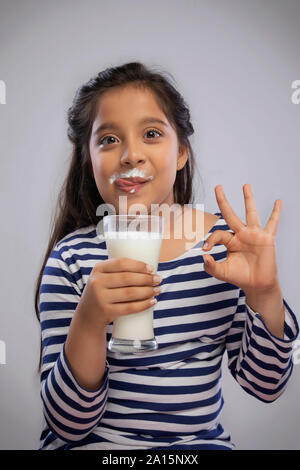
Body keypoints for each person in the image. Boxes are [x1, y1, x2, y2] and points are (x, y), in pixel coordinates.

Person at [35, 62, 299, 450]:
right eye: (108, 140)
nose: (130, 154)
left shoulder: (222, 247)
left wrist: (265, 293)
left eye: (152, 134)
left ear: (181, 153)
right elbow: (67, 425)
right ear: (87, 158)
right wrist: (89, 320)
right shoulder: (72, 259)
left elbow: (267, 385)